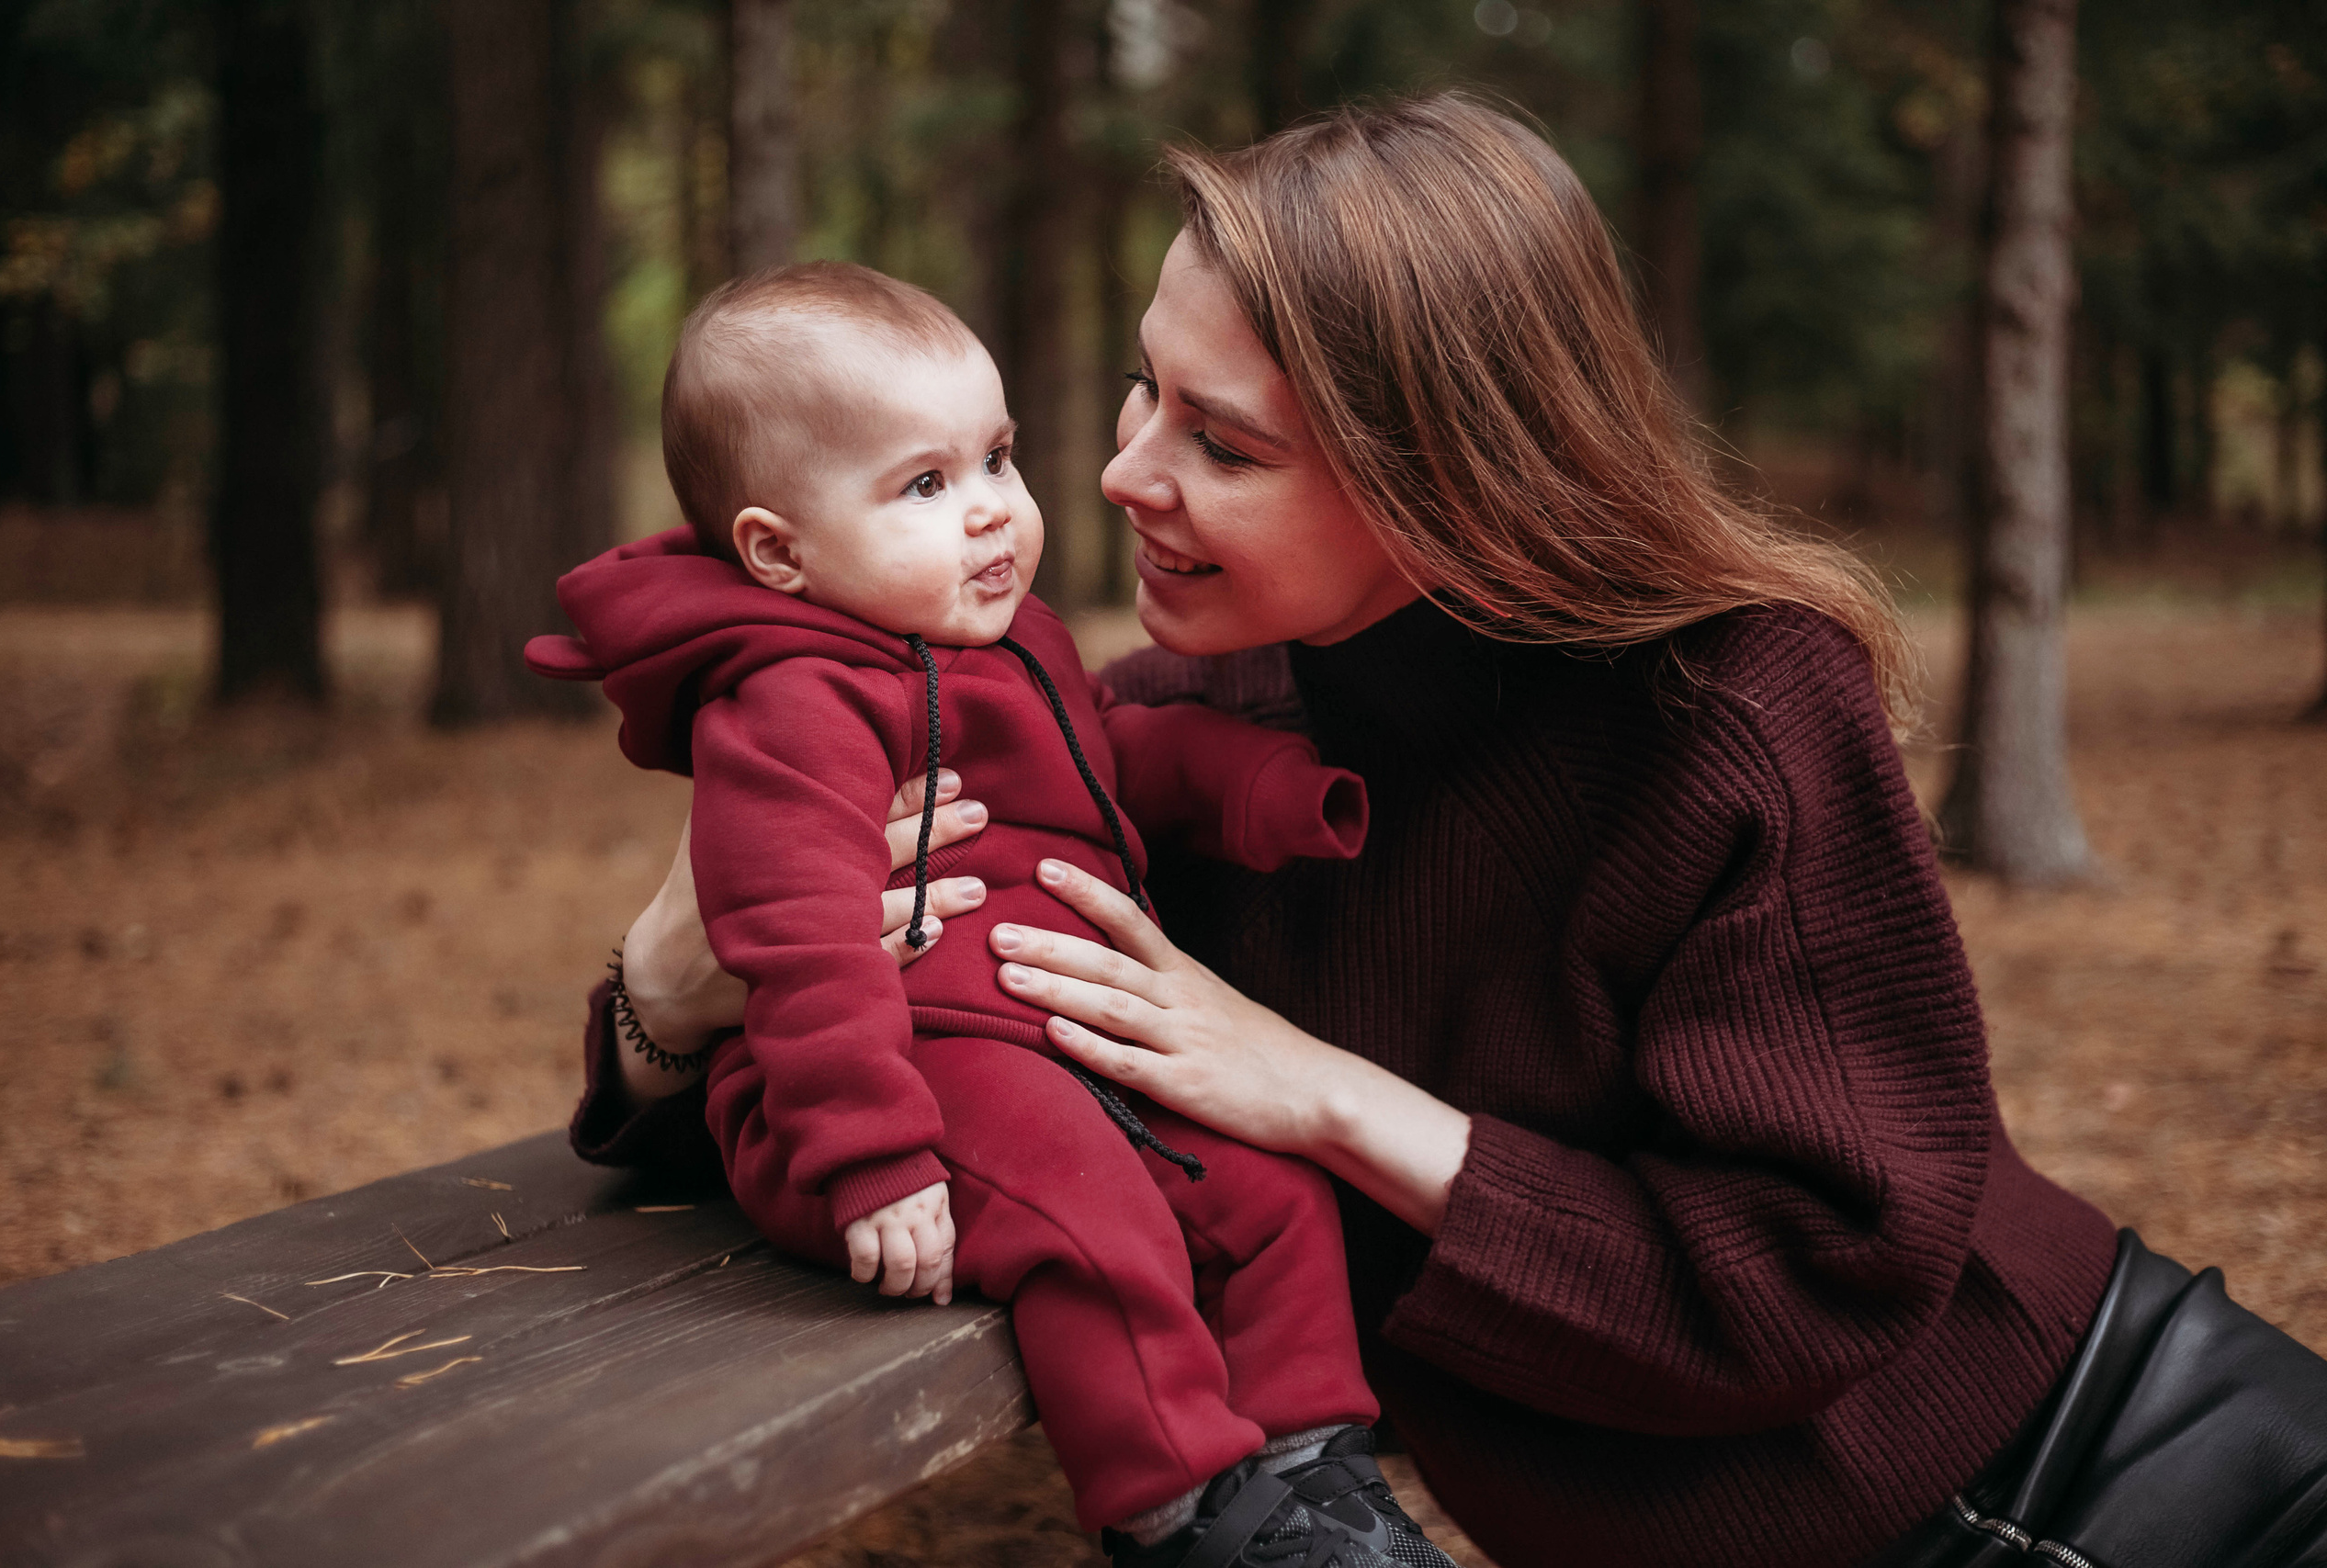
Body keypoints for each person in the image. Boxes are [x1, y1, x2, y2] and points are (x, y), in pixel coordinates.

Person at [575, 97, 2327, 1568]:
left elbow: (1819, 1274)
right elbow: (869, 1099)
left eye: (1224, 443)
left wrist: (1320, 1095)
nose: (1118, 477)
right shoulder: (1171, 734)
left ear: (1448, 477)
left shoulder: (1735, 717)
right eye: (1139, 391)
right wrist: (674, 980)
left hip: (2092, 1492)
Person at [529, 261, 1463, 1568]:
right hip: (893, 1086)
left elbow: (1108, 757)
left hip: (1038, 1047)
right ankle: (1182, 1509)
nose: (991, 516)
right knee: (1094, 1221)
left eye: (997, 460)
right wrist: (870, 1155)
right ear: (777, 550)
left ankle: (1314, 1473)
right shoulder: (788, 703)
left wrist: (1264, 788)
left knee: (1269, 1198)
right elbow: (799, 946)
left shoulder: (1007, 645)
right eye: (925, 485)